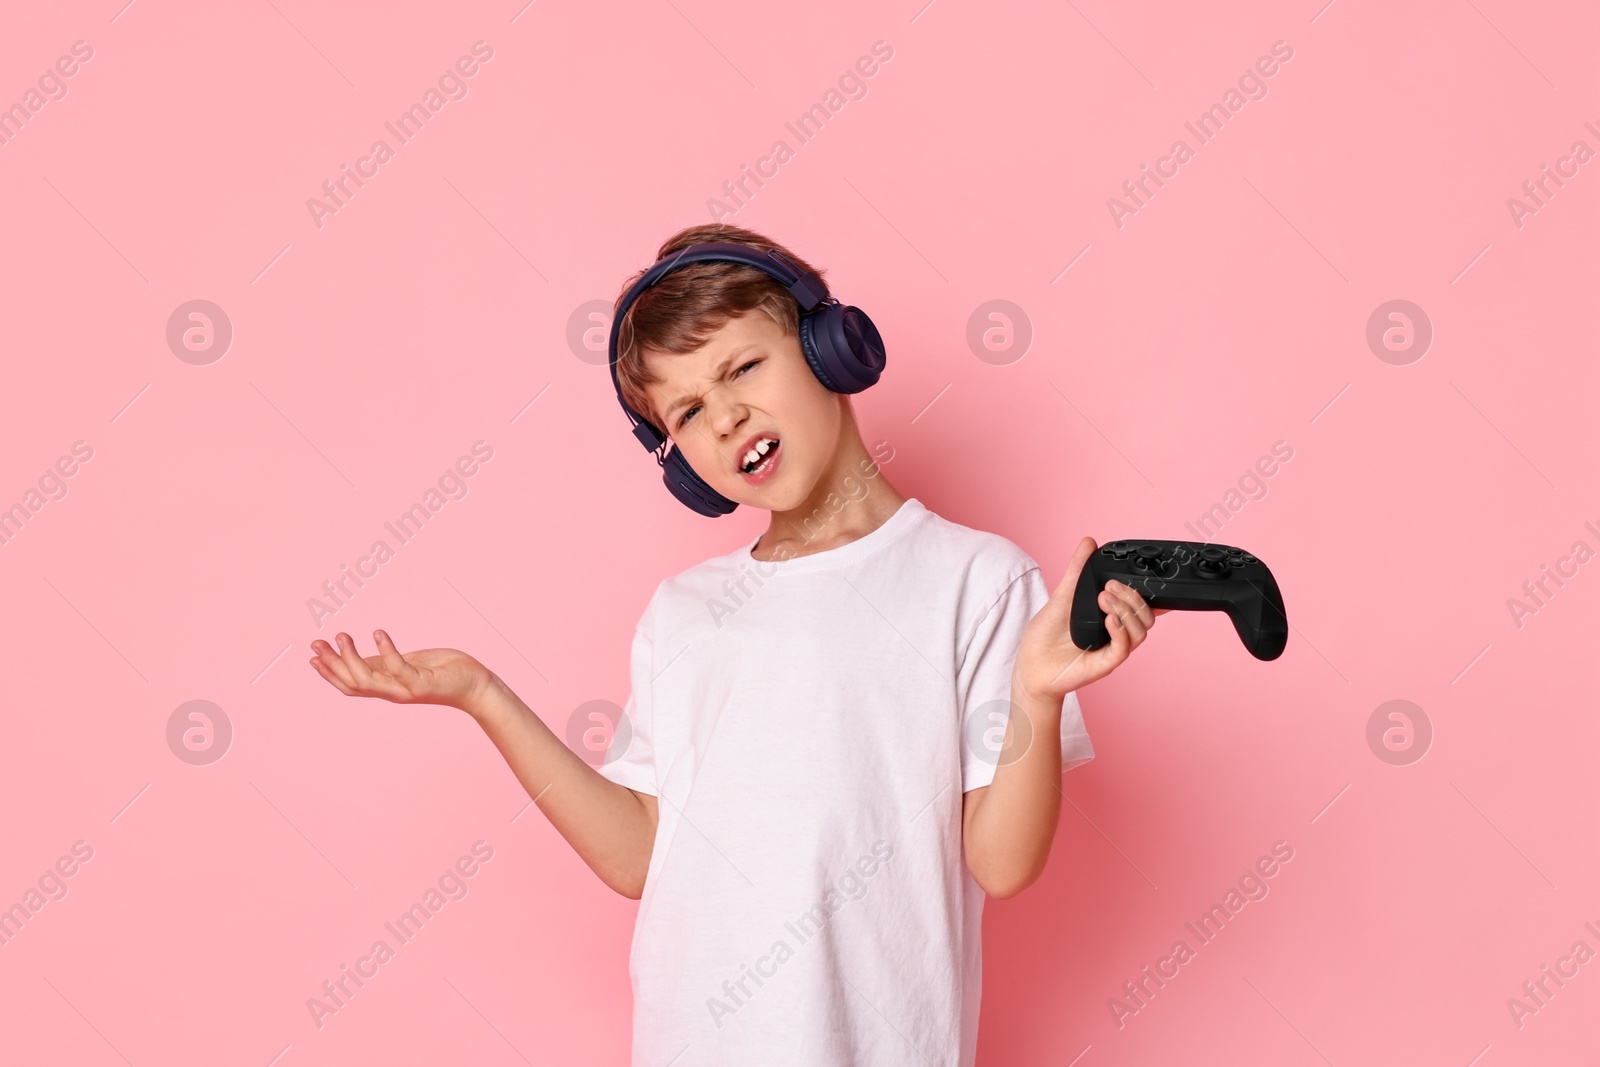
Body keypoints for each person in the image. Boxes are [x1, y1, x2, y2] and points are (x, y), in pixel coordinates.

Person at [307, 223, 1164, 1065]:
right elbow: (642, 853)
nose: (724, 416)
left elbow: (1002, 863)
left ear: (831, 348)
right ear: (677, 457)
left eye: (743, 367)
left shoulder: (974, 580)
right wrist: (480, 692)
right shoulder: (683, 612)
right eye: (686, 410)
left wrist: (1037, 695)